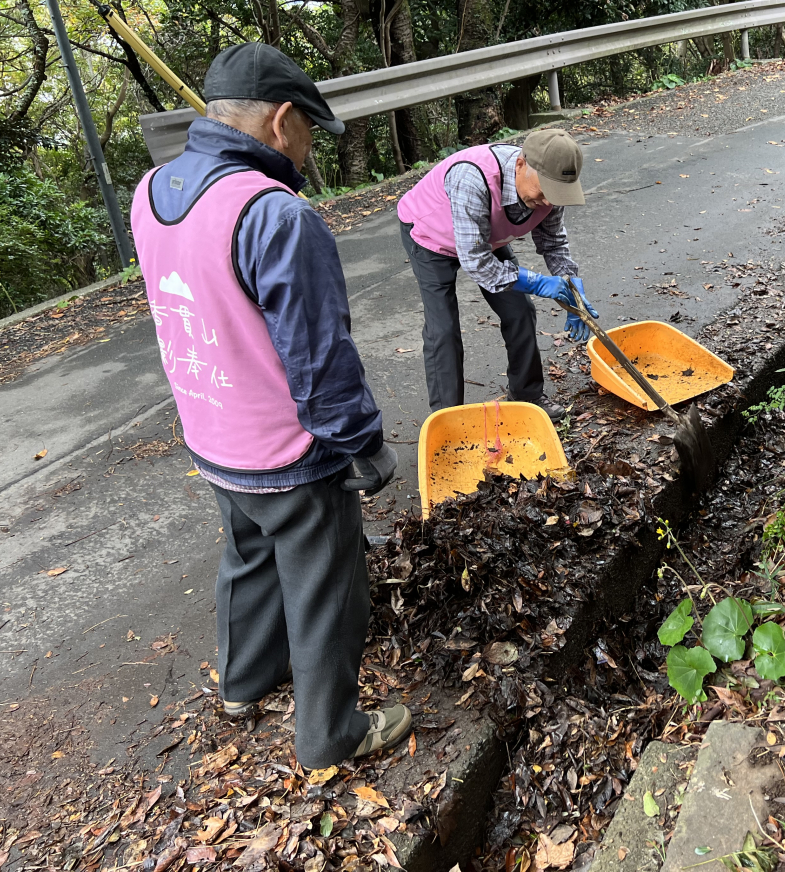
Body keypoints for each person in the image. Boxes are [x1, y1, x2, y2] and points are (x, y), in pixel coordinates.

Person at [129, 42, 411, 770]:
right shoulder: (276, 215)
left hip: (211, 431)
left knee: (249, 557)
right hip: (286, 450)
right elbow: (318, 357)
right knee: (326, 588)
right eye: (311, 131)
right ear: (282, 121)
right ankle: (330, 736)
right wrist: (362, 444)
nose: (311, 147)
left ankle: (244, 682)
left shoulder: (151, 191)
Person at [397, 129, 599, 419]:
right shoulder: (473, 177)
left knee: (520, 311)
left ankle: (527, 395)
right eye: (544, 191)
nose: (547, 202)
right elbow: (476, 262)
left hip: (485, 237)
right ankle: (447, 420)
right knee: (443, 329)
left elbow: (553, 243)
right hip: (430, 235)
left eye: (556, 194)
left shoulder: (549, 195)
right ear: (521, 165)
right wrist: (537, 282)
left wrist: (573, 293)